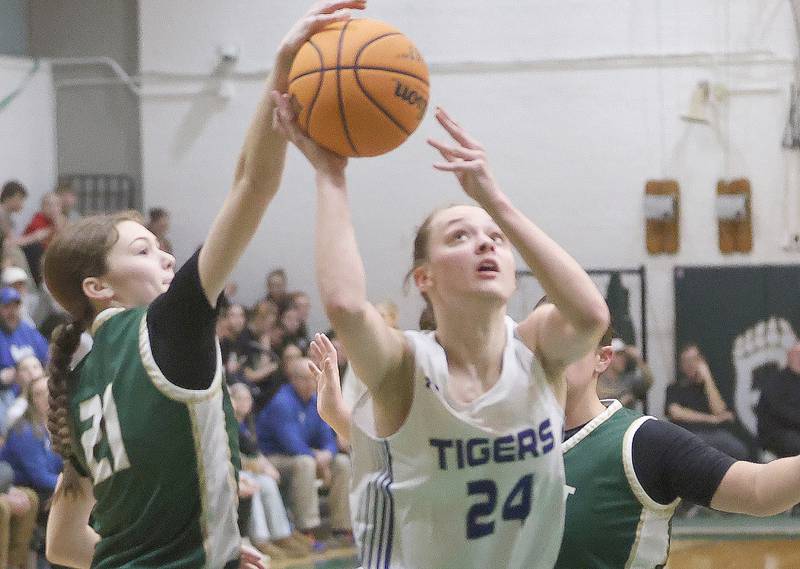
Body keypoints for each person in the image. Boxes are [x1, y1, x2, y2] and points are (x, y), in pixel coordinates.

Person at [40, 4, 364, 568]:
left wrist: (197, 550)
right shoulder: (166, 325)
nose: (165, 255)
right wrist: (282, 65)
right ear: (99, 287)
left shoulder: (78, 380)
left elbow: (63, 546)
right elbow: (253, 184)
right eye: (142, 250)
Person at [275, 100, 609, 569]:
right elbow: (347, 306)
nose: (486, 243)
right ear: (424, 278)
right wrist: (331, 176)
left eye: (496, 238)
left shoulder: (537, 349)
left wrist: (498, 202)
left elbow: (592, 317)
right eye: (459, 236)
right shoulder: (405, 364)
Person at [255, 357, 351, 543]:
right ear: (294, 380)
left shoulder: (316, 401)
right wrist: (317, 458)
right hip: (274, 459)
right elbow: (292, 445)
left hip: (306, 455)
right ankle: (307, 529)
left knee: (342, 462)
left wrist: (327, 454)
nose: (311, 384)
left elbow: (329, 438)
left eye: (313, 379)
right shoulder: (282, 403)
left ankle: (342, 527)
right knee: (305, 463)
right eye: (305, 379)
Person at [229, 383, 310, 560]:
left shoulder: (245, 424)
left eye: (248, 399)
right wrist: (254, 466)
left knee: (267, 482)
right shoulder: (225, 423)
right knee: (252, 482)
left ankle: (281, 535)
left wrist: (266, 467)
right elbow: (228, 457)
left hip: (242, 471)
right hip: (231, 473)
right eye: (240, 399)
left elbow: (255, 452)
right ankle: (260, 539)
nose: (245, 403)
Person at [666, 344, 750, 460]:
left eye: (694, 360)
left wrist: (707, 377)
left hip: (713, 433)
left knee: (738, 450)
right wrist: (712, 419)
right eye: (686, 361)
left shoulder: (712, 386)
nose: (690, 364)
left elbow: (719, 410)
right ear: (681, 366)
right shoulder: (674, 387)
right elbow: (676, 413)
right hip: (687, 433)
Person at [757, 341, 800, 457]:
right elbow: (780, 411)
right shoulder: (775, 382)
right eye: (797, 354)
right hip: (778, 433)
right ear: (789, 356)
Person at [0, 287, 48, 372]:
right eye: (7, 307)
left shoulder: (28, 330)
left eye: (15, 306)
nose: (12, 312)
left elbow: (46, 356)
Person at [596, 338, 653, 409]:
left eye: (624, 356)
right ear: (608, 356)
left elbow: (648, 381)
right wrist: (623, 401)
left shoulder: (628, 380)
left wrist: (638, 359)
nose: (623, 359)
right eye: (619, 355)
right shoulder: (598, 383)